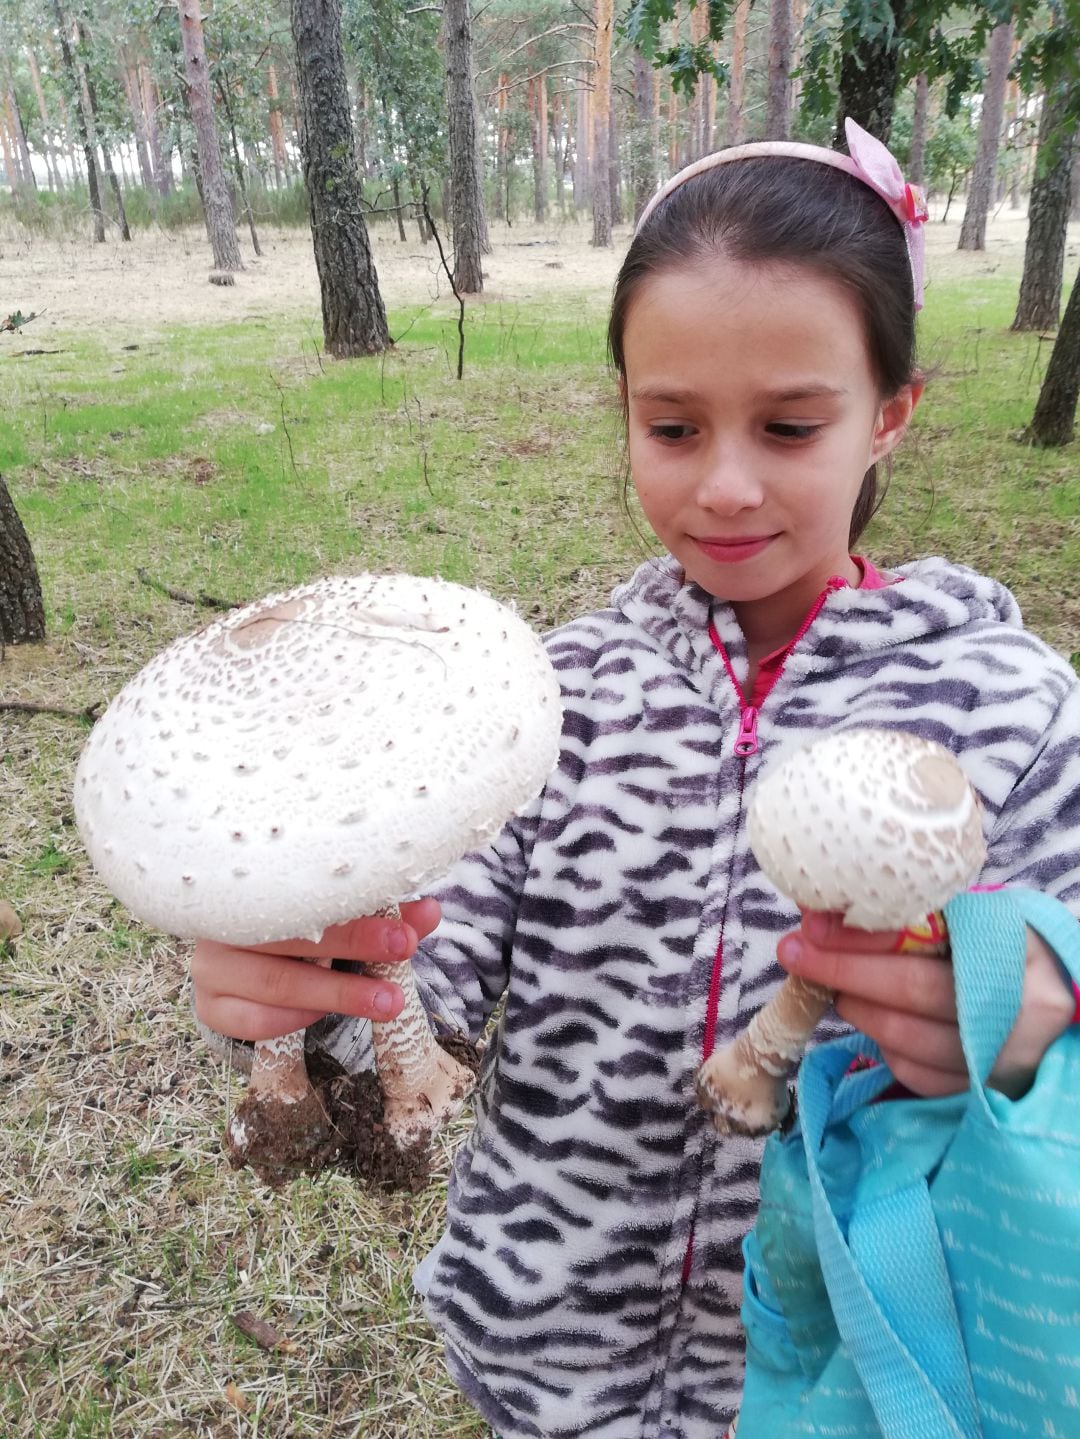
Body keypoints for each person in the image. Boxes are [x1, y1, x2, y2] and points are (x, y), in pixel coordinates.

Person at [192, 121, 1080, 1439]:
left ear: (891, 415)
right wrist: (312, 988)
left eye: (790, 425)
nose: (724, 486)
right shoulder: (547, 703)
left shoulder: (1011, 708)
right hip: (538, 1360)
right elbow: (428, 976)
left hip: (842, 1374)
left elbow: (1057, 994)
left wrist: (1036, 1028)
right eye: (671, 426)